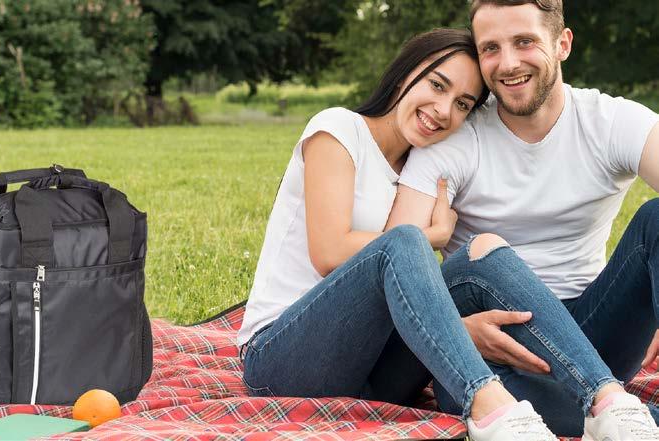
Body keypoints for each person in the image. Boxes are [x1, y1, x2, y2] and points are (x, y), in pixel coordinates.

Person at [237, 28, 560, 440]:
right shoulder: (339, 129)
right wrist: (432, 236)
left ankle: (597, 396)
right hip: (281, 360)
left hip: (370, 375)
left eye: (462, 104)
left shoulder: (419, 169)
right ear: (406, 72)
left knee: (476, 261)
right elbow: (329, 251)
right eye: (437, 85)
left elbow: (405, 290)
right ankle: (489, 404)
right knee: (404, 241)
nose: (443, 110)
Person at [386, 0, 659, 438]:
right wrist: (456, 330)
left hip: (596, 330)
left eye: (524, 41)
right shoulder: (455, 138)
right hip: (497, 344)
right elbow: (396, 269)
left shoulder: (610, 121)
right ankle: (618, 415)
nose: (509, 63)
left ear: (562, 44)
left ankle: (609, 407)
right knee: (469, 379)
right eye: (491, 48)